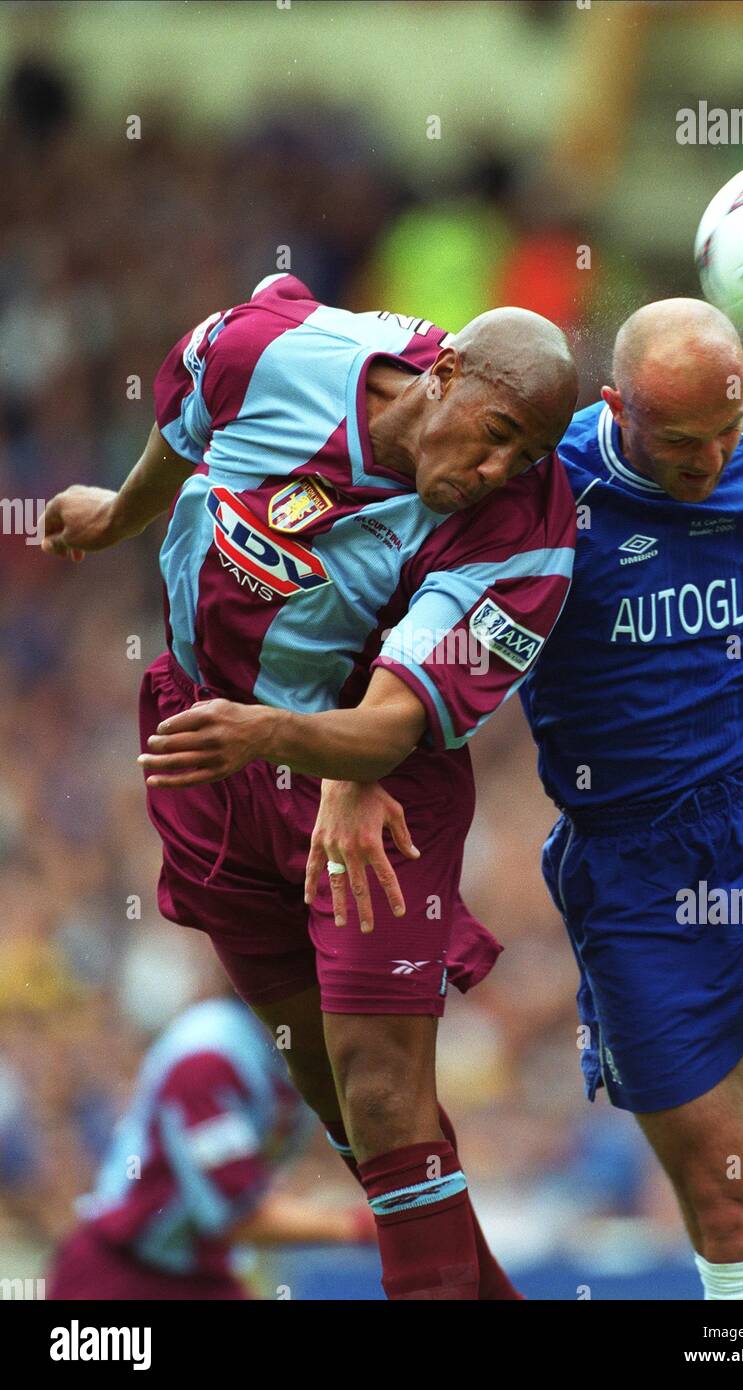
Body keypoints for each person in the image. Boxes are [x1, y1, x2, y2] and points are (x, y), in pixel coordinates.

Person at [41, 272, 578, 1299]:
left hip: (374, 791)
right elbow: (188, 416)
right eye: (496, 431)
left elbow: (385, 724)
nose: (500, 466)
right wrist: (118, 516)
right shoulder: (268, 350)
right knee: (346, 1110)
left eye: (526, 453)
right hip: (211, 743)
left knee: (382, 1094)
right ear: (444, 372)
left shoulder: (521, 526)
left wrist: (289, 741)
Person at [518, 297, 743, 1300]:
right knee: (730, 1206)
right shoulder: (540, 496)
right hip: (636, 868)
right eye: (679, 440)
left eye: (724, 428)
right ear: (614, 405)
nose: (711, 458)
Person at [46, 994, 373, 1300]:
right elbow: (237, 1212)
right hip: (120, 1277)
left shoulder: (285, 1054)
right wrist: (360, 1225)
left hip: (197, 1274)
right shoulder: (207, 1059)